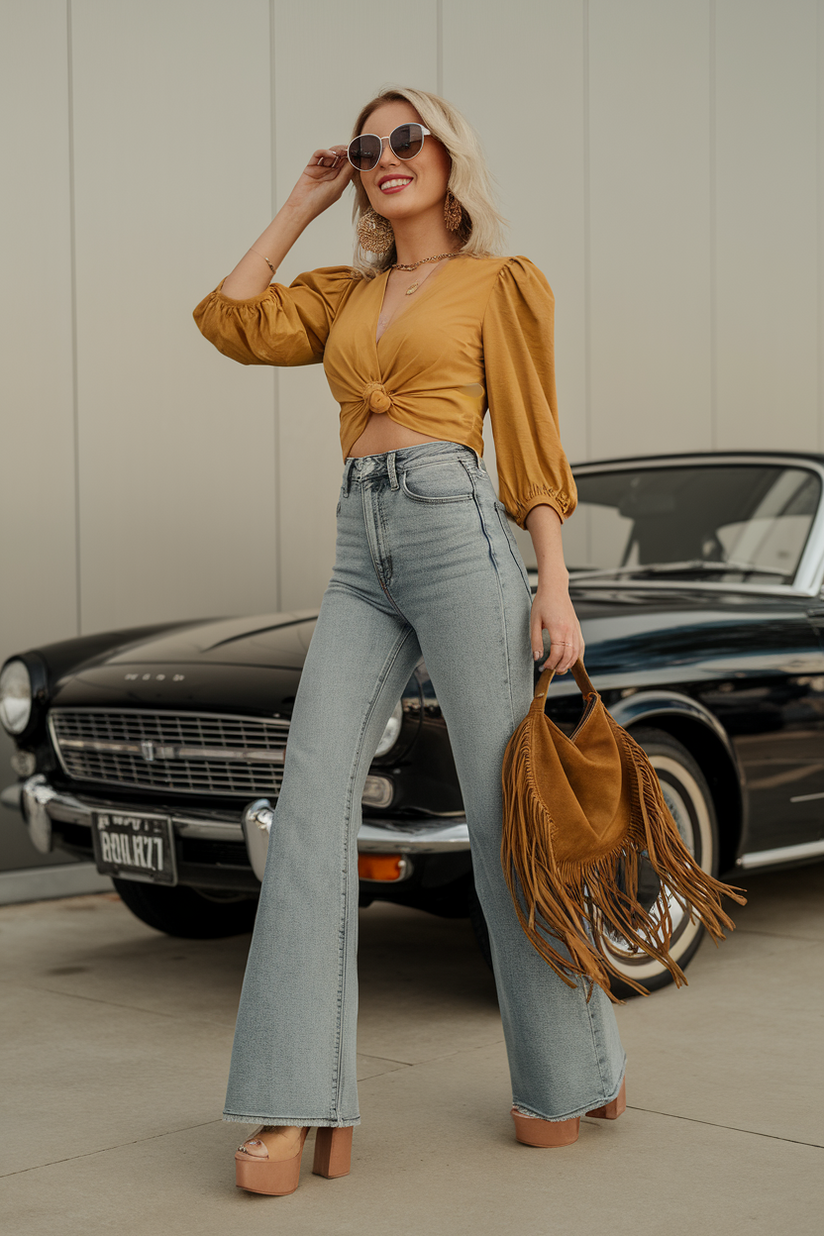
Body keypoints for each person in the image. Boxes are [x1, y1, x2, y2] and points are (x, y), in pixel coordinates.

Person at [194, 86, 626, 1197]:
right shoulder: (348, 291)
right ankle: (295, 1100)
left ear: (445, 157)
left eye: (405, 139)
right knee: (304, 809)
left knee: (501, 813)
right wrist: (302, 199)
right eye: (367, 146)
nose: (385, 157)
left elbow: (530, 439)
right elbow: (230, 318)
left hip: (456, 534)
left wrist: (554, 587)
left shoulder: (498, 284)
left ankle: (569, 1067)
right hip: (358, 546)